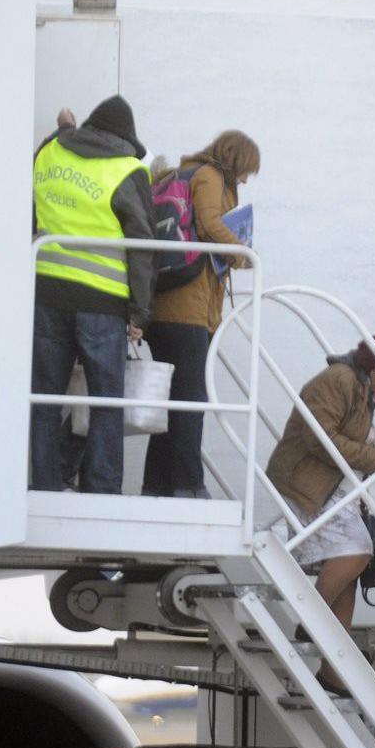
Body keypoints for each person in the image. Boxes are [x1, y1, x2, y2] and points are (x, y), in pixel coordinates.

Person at [265, 332, 375, 695]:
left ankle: (332, 670)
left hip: (342, 493)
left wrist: (374, 462)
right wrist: (374, 458)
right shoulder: (337, 380)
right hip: (308, 485)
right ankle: (310, 619)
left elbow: (364, 442)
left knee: (349, 572)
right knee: (358, 551)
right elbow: (318, 437)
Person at [29, 95, 155, 494]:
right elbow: (143, 245)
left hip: (47, 292)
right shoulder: (128, 170)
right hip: (102, 302)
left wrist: (64, 128)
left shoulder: (50, 153)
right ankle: (101, 490)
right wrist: (140, 313)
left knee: (45, 398)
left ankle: (44, 485)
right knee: (106, 404)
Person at [142, 130, 261, 498]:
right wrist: (242, 252)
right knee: (191, 400)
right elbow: (209, 224)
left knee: (175, 401)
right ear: (235, 158)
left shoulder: (190, 174)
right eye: (246, 171)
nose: (245, 179)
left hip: (172, 306)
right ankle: (187, 485)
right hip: (187, 310)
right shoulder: (209, 176)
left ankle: (157, 485)